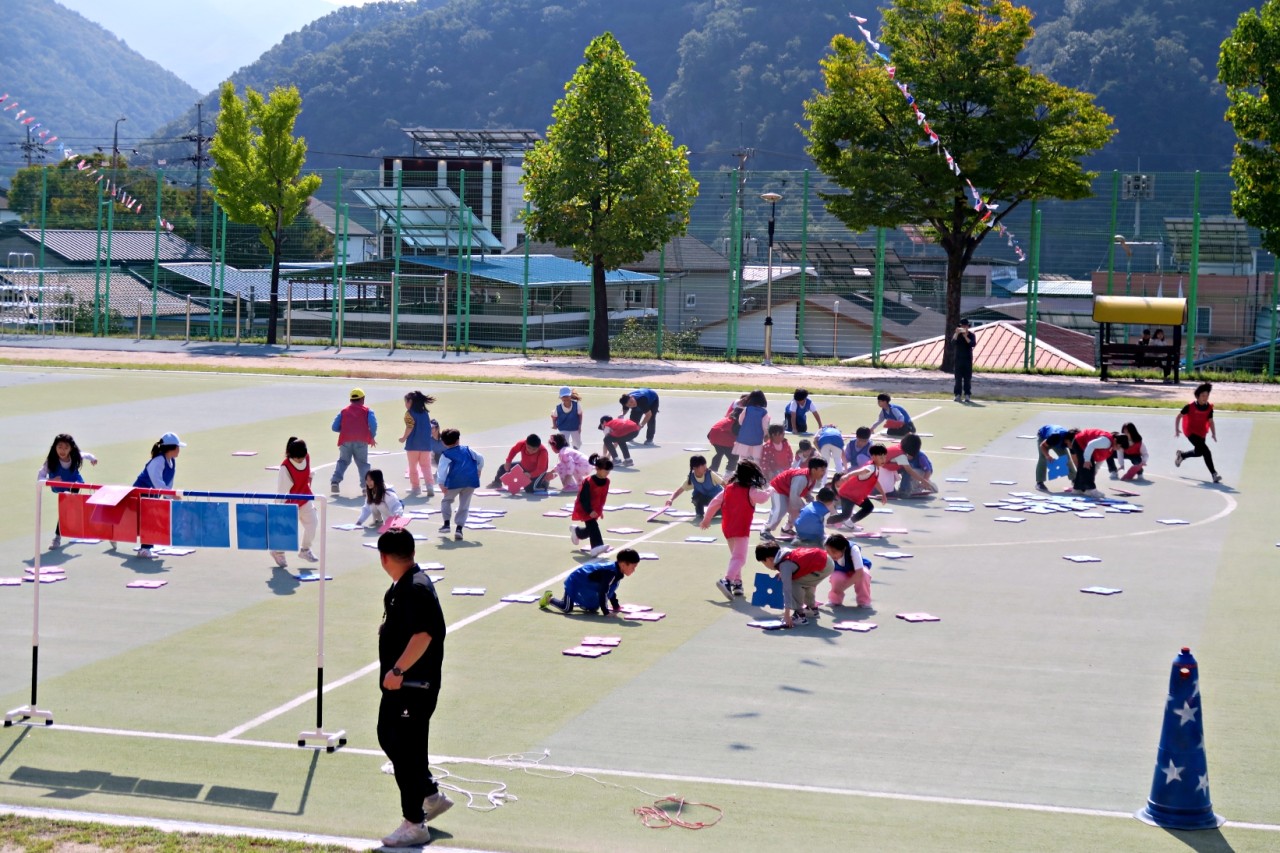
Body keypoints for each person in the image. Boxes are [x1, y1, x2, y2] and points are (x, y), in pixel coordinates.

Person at [374, 528, 451, 848]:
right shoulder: (403, 587)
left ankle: (414, 821)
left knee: (404, 749)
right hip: (403, 685)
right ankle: (430, 794)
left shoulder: (414, 589)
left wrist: (397, 669)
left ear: (384, 558)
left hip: (413, 685)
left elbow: (424, 636)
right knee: (391, 738)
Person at [701, 459, 771, 600]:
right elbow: (763, 498)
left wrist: (707, 519)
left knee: (735, 556)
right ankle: (727, 580)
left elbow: (715, 503)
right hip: (741, 529)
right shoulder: (750, 490)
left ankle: (737, 583)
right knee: (740, 558)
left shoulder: (729, 488)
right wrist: (771, 489)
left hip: (728, 528)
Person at [38, 433, 98, 550]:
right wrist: (51, 480)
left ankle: (75, 512)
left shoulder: (75, 456)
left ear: (71, 448)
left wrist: (93, 459)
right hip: (59, 487)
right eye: (60, 447)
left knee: (70, 506)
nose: (62, 450)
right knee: (65, 510)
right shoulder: (51, 461)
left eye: (66, 448)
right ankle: (57, 538)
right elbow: (40, 477)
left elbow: (87, 455)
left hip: (74, 483)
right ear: (55, 447)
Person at [754, 542, 834, 628]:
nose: (765, 565)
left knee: (794, 582)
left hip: (823, 566)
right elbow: (797, 566)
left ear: (769, 559)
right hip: (826, 561)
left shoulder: (784, 565)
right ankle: (812, 609)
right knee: (805, 581)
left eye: (763, 562)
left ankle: (799, 615)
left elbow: (787, 589)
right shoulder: (785, 554)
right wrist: (784, 573)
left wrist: (786, 615)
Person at [538, 549, 640, 615]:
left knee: (593, 608)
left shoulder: (617, 572)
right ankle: (548, 598)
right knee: (567, 608)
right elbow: (603, 591)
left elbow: (610, 589)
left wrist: (616, 606)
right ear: (623, 565)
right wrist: (606, 612)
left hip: (585, 585)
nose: (634, 570)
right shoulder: (611, 573)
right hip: (576, 580)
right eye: (633, 567)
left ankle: (579, 602)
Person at [132, 432, 184, 559]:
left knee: (148, 520)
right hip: (141, 493)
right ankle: (145, 549)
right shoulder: (158, 461)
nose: (179, 450)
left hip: (152, 494)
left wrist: (170, 496)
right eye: (177, 447)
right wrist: (171, 495)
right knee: (147, 520)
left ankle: (145, 546)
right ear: (171, 448)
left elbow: (168, 483)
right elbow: (158, 483)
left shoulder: (172, 461)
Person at [271, 437, 319, 568]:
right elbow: (281, 491)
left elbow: (308, 473)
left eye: (303, 457)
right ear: (292, 456)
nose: (302, 460)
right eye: (299, 458)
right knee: (287, 531)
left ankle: (305, 550)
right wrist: (278, 509)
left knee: (313, 523)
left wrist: (309, 480)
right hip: (290, 503)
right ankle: (278, 552)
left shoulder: (305, 457)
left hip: (305, 498)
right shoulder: (285, 468)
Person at [761, 458, 828, 541]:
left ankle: (786, 529)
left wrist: (810, 500)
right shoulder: (802, 478)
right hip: (778, 488)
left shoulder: (813, 478)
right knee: (781, 509)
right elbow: (794, 496)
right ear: (814, 470)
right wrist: (802, 509)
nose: (824, 473)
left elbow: (804, 492)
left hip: (789, 491)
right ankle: (765, 530)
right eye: (822, 470)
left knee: (799, 510)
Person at [435, 428, 484, 541]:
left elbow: (441, 470)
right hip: (470, 481)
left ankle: (447, 523)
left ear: (443, 442)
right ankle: (459, 529)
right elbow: (480, 458)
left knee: (446, 501)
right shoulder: (468, 450)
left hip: (454, 482)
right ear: (458, 440)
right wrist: (479, 469)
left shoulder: (446, 454)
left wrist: (441, 483)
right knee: (464, 505)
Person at [826, 444, 889, 529]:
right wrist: (848, 475)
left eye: (884, 457)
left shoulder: (876, 468)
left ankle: (849, 523)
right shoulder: (871, 467)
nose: (883, 460)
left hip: (857, 494)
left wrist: (883, 494)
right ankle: (827, 521)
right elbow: (860, 471)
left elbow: (875, 482)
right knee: (845, 515)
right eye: (881, 457)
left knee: (868, 507)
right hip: (848, 494)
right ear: (873, 457)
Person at [331, 388, 377, 496]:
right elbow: (373, 425)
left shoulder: (343, 411)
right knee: (363, 464)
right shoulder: (368, 411)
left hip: (345, 440)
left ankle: (335, 482)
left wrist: (345, 430)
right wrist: (372, 436)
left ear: (351, 399)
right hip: (362, 440)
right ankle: (365, 487)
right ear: (363, 399)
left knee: (343, 461)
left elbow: (334, 427)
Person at [1176, 382, 1221, 483]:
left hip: (1201, 432)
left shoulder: (1209, 408)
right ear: (1197, 396)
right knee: (1206, 451)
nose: (1205, 398)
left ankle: (1182, 455)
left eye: (1207, 395)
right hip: (1190, 432)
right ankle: (1214, 474)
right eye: (1203, 395)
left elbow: (1211, 421)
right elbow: (1179, 416)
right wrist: (1177, 429)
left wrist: (1213, 433)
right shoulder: (1189, 406)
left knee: (1199, 452)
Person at [570, 454, 613, 556]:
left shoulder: (607, 481)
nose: (607, 473)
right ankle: (596, 546)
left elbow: (603, 496)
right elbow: (584, 498)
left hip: (595, 508)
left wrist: (600, 510)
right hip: (584, 507)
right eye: (605, 470)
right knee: (593, 525)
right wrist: (589, 510)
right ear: (597, 469)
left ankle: (577, 531)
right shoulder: (588, 481)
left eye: (608, 471)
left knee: (590, 529)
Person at [399, 391, 437, 498]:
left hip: (413, 446)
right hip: (426, 445)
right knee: (426, 467)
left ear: (410, 402)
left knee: (413, 467)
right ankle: (430, 486)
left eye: (405, 402)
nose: (405, 404)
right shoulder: (425, 413)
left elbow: (409, 427)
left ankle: (416, 488)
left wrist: (403, 438)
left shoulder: (409, 413)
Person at [665, 455, 724, 522]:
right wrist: (670, 499)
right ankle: (700, 513)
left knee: (719, 511)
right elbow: (679, 491)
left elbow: (725, 485)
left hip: (717, 499)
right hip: (705, 498)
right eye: (702, 466)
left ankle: (718, 510)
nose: (705, 467)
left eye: (705, 465)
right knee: (698, 497)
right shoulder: (692, 478)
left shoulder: (710, 474)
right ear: (694, 468)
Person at [1069, 428, 1124, 499]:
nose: (1118, 449)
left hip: (1084, 445)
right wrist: (1087, 460)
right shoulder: (1107, 441)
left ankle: (1077, 489)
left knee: (1086, 467)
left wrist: (1093, 473)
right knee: (1087, 466)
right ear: (1116, 440)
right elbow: (1090, 444)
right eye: (1119, 446)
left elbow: (1100, 461)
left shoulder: (1110, 448)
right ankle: (1091, 490)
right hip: (1080, 442)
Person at [825, 532, 872, 609]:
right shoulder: (827, 548)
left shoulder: (853, 549)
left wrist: (843, 588)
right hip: (841, 570)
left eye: (834, 552)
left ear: (843, 549)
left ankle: (864, 601)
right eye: (828, 552)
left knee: (864, 575)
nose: (831, 555)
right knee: (835, 577)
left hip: (857, 570)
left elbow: (859, 572)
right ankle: (835, 600)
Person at [1035, 425, 1078, 492]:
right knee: (1043, 458)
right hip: (1044, 437)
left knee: (1066, 459)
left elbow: (1074, 457)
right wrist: (1047, 455)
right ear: (1067, 440)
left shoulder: (1072, 441)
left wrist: (1080, 471)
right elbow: (1042, 446)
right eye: (1071, 444)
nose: (1071, 446)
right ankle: (1039, 483)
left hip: (1058, 442)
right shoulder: (1055, 436)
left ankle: (1075, 480)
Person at [733, 389, 770, 464]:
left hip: (744, 437)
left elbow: (740, 421)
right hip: (757, 438)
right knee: (756, 459)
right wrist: (766, 434)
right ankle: (756, 473)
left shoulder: (747, 409)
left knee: (742, 458)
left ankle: (741, 473)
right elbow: (765, 426)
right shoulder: (764, 412)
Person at [952, 319, 976, 403]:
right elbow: (952, 343)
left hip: (967, 360)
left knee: (967, 379)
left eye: (965, 326)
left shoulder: (971, 335)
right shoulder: (957, 335)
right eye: (962, 326)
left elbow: (972, 344)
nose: (964, 327)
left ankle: (967, 395)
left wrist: (965, 336)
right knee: (958, 379)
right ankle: (957, 395)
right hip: (958, 360)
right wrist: (956, 333)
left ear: (968, 327)